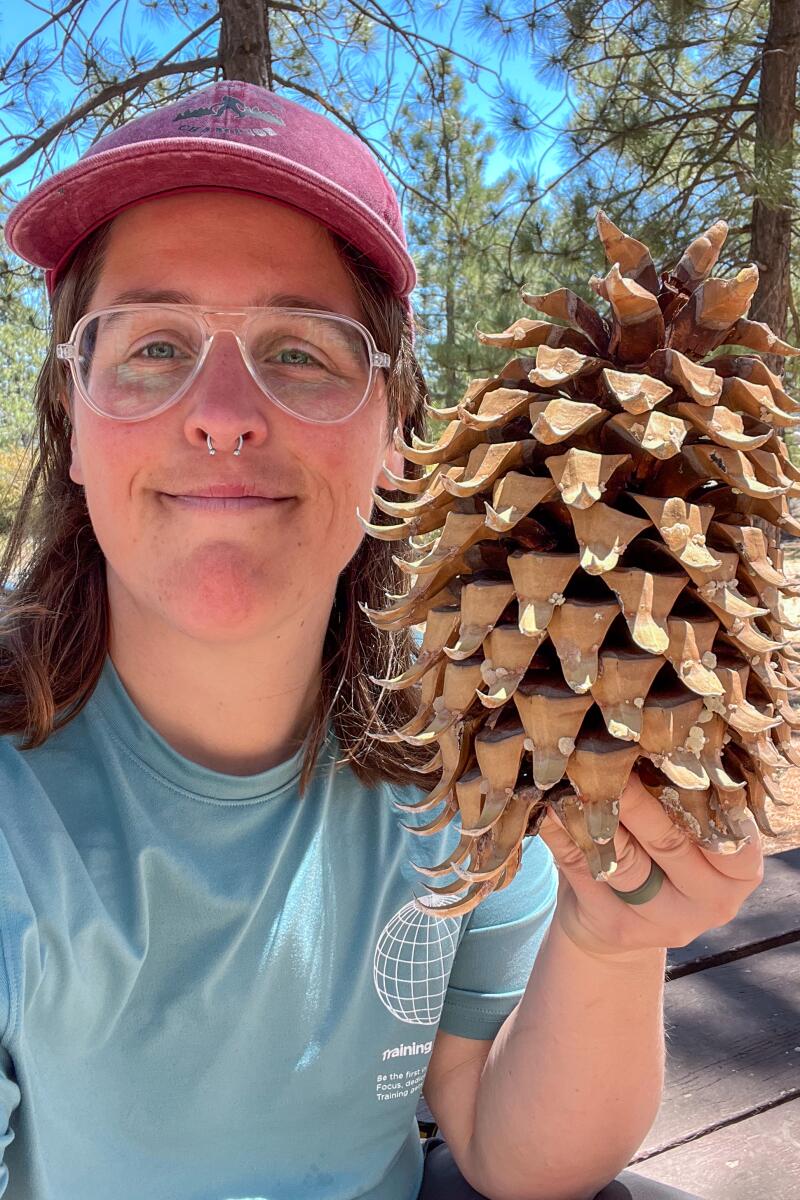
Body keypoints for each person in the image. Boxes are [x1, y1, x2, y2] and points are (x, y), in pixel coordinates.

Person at [0, 79, 761, 1200]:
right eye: (152, 345)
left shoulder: (467, 752)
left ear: (396, 433)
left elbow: (506, 1145)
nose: (222, 409)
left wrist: (609, 943)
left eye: (302, 348)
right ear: (72, 427)